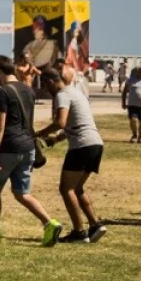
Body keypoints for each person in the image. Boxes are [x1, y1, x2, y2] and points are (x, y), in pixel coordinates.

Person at [0, 56, 60, 246]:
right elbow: (21, 116)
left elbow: (0, 126)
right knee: (22, 193)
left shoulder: (2, 92)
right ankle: (49, 223)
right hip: (27, 147)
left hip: (9, 146)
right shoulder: (28, 90)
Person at [37, 67, 107, 244]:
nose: (45, 90)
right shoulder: (76, 93)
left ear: (52, 81)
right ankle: (95, 224)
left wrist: (39, 133)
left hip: (81, 146)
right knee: (77, 188)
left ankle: (79, 232)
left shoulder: (62, 94)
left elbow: (60, 122)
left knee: (66, 189)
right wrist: (56, 139)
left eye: (45, 86)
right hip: (95, 143)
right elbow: (76, 123)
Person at [123, 65, 141, 144]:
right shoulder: (131, 80)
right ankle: (134, 135)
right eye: (140, 70)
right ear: (137, 71)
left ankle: (140, 137)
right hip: (132, 105)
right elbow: (124, 91)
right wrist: (123, 102)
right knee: (133, 120)